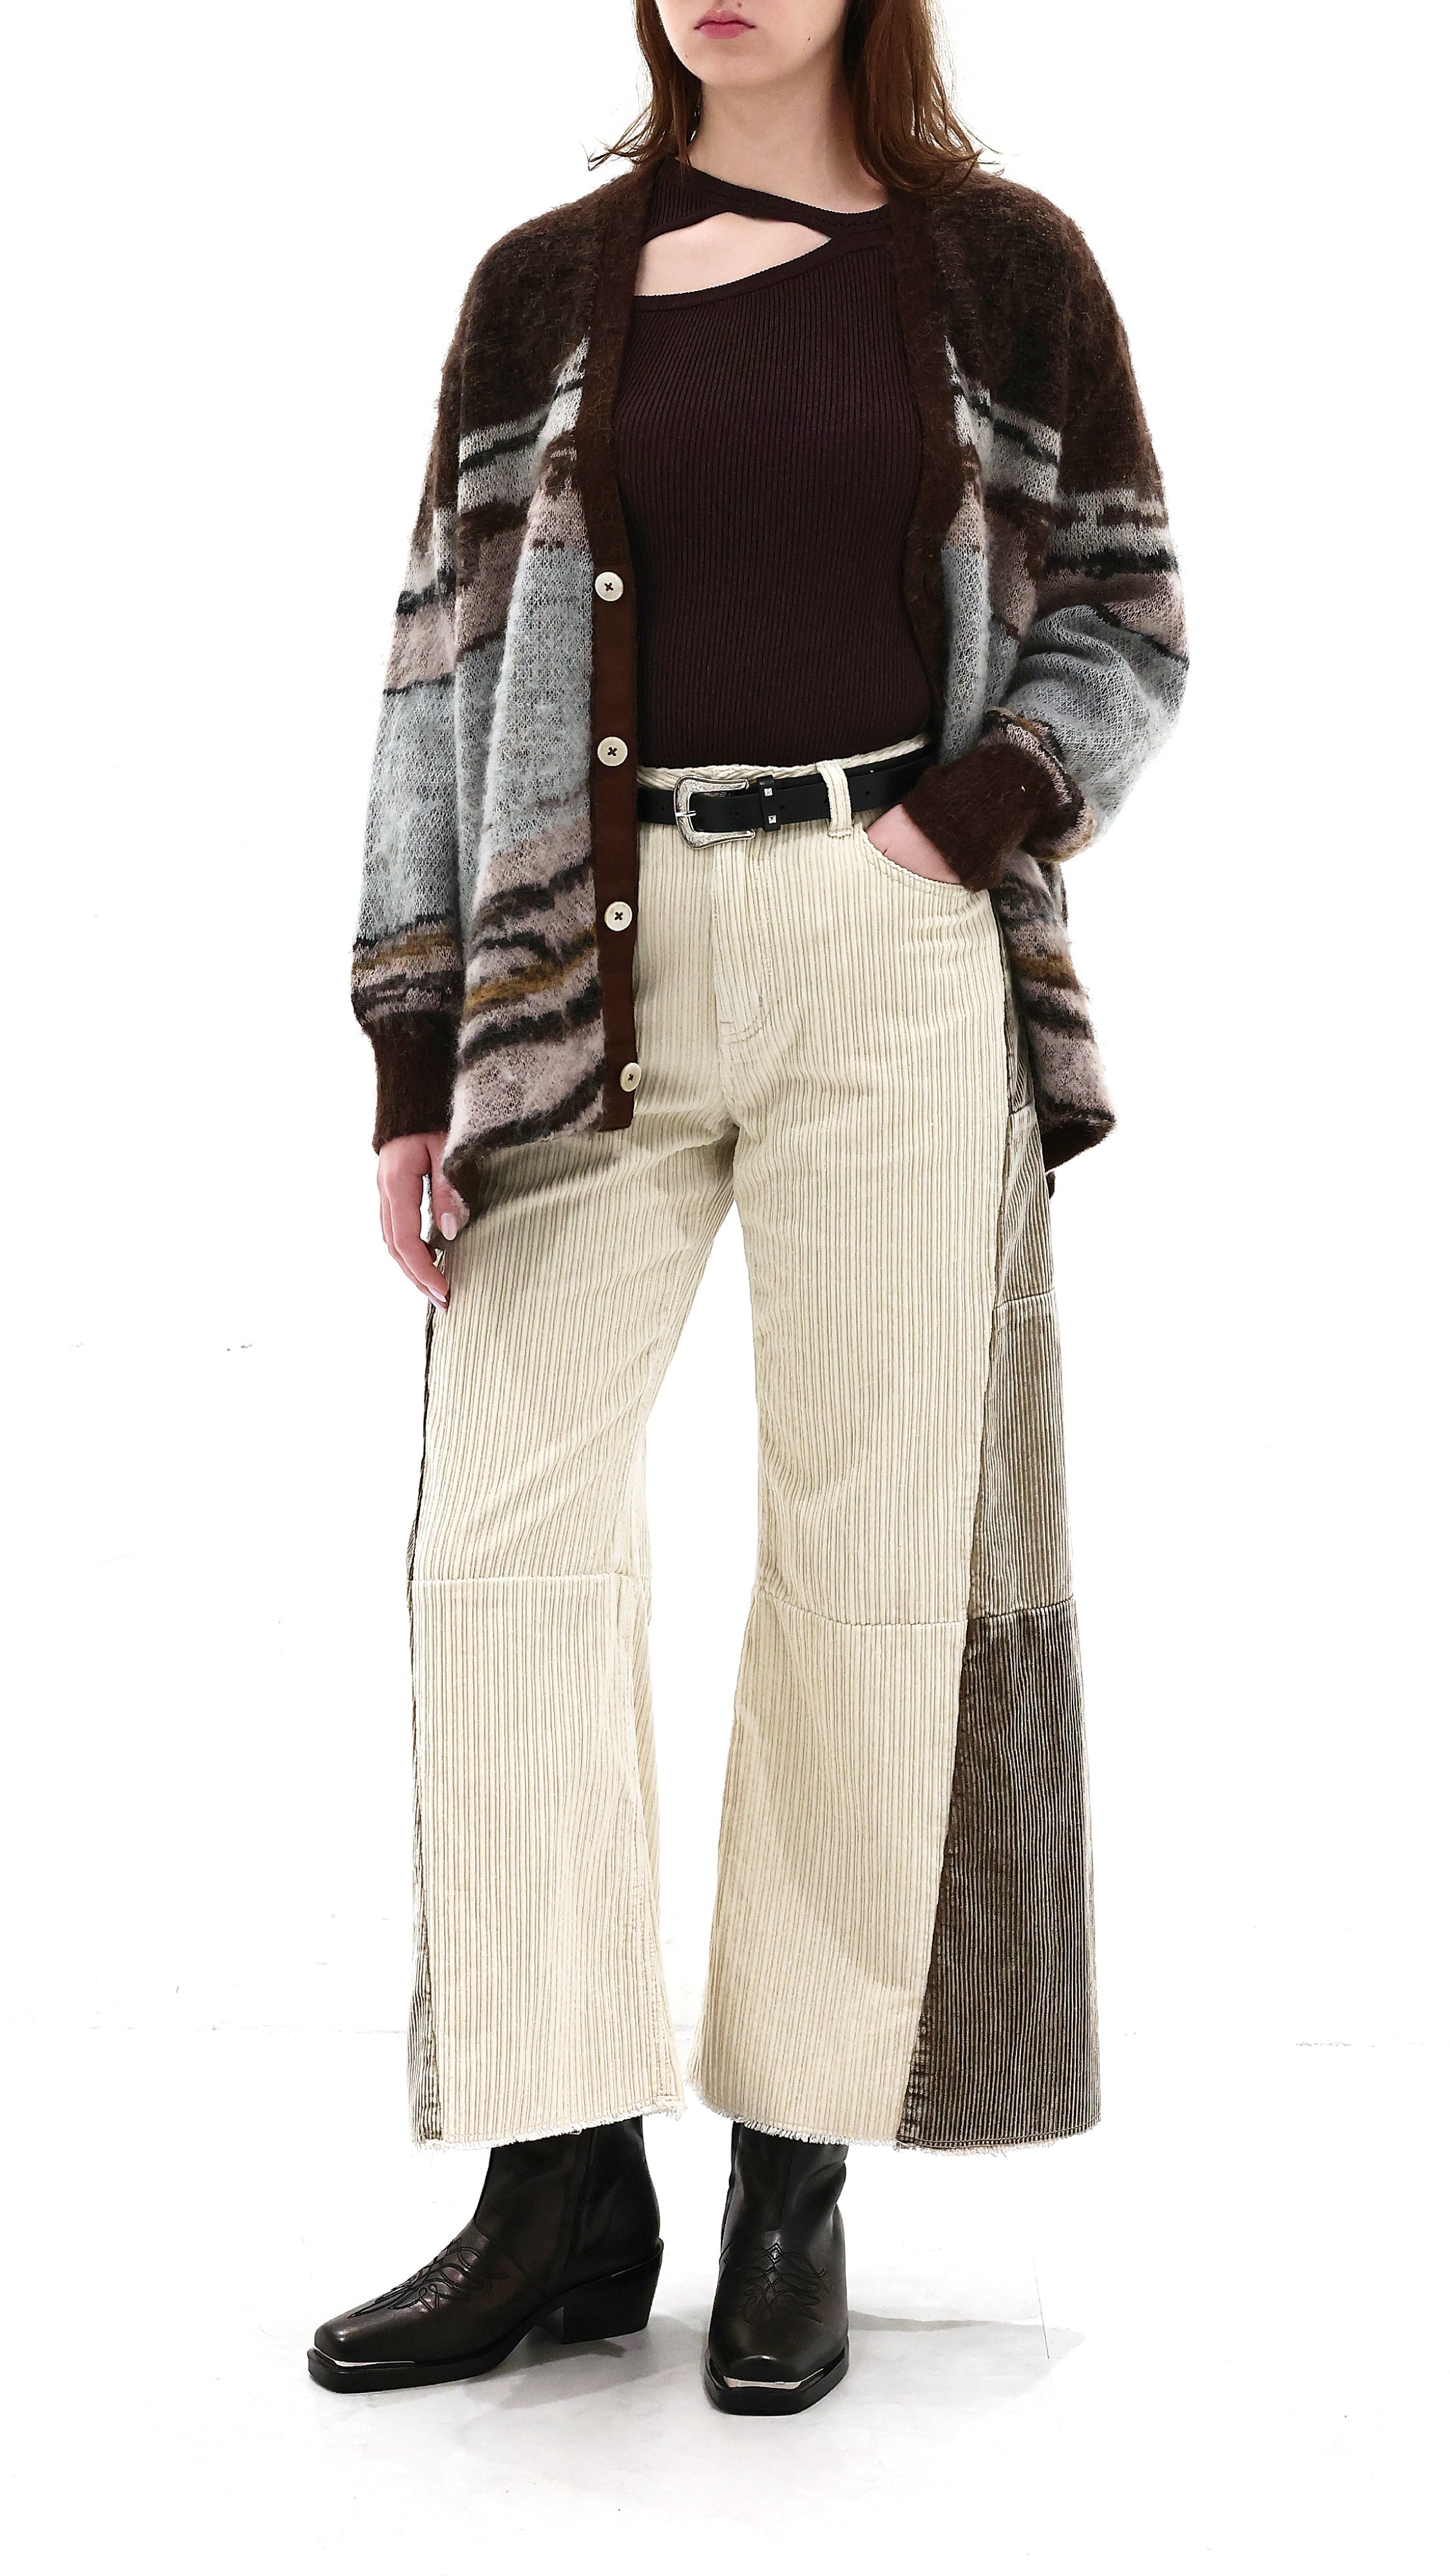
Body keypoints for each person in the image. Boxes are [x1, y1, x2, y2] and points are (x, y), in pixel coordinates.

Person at [310, 0, 1186, 2416]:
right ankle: (558, 2179)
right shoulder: (537, 285)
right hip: (573, 972)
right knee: (503, 1546)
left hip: (889, 957)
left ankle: (794, 2174)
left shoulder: (999, 266)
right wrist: (413, 1054)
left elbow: (1127, 608)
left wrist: (962, 823)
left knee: (871, 1553)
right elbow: (436, 673)